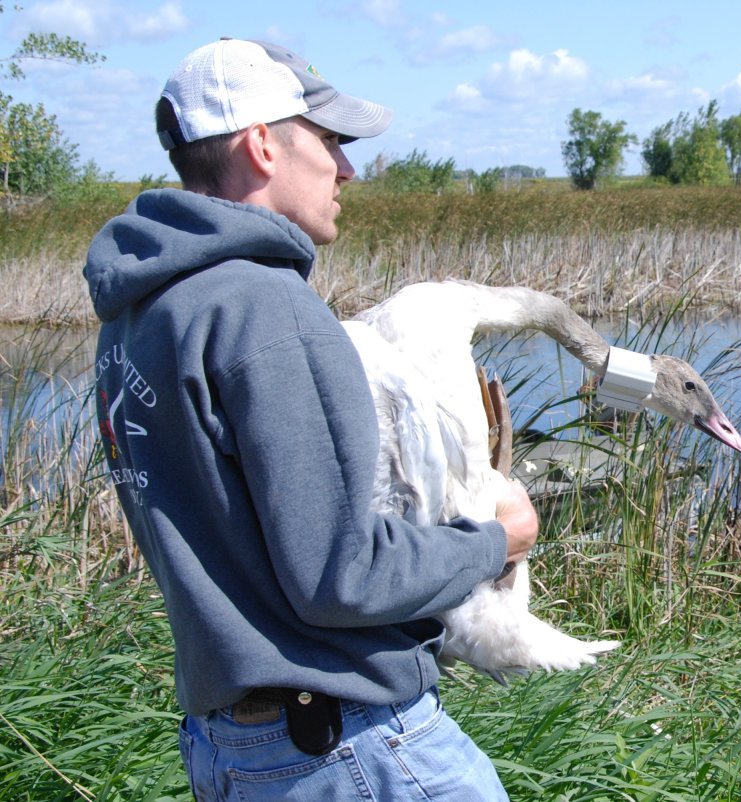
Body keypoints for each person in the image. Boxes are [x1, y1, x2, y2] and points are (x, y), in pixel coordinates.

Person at [83, 37, 537, 800]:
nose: (348, 169)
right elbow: (340, 576)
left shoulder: (138, 316)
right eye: (330, 141)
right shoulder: (264, 310)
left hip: (228, 748)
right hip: (340, 747)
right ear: (262, 144)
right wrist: (495, 541)